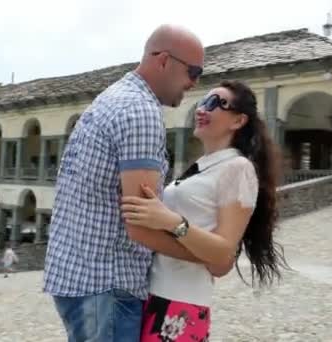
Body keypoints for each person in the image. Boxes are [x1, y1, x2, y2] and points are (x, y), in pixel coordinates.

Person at [43, 24, 210, 342]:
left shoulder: (114, 97)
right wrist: (206, 256)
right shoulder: (140, 112)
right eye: (193, 71)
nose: (194, 83)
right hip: (107, 285)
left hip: (79, 277)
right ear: (163, 60)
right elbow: (141, 225)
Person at [121, 81, 287, 341]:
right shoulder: (203, 165)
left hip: (180, 304)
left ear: (238, 121)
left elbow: (223, 254)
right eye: (202, 102)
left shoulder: (238, 168)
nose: (202, 109)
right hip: (154, 292)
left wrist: (170, 220)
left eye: (215, 103)